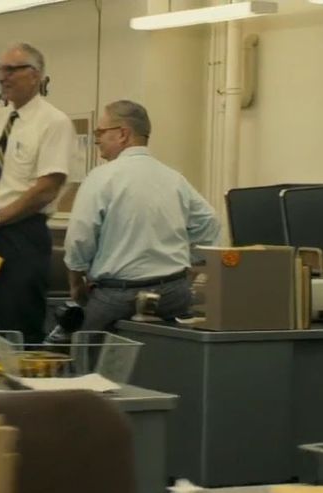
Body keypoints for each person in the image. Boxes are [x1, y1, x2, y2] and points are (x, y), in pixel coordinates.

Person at [0, 43, 75, 366]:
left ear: (35, 75)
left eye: (10, 70)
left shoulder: (54, 122)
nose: (1, 77)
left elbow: (46, 188)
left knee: (15, 330)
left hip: (20, 235)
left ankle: (17, 406)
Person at [64, 100, 220, 331]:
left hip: (118, 296)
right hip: (173, 295)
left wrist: (76, 283)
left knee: (86, 354)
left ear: (123, 134)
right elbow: (209, 221)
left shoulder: (101, 178)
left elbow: (79, 237)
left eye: (101, 132)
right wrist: (189, 264)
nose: (97, 140)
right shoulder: (173, 178)